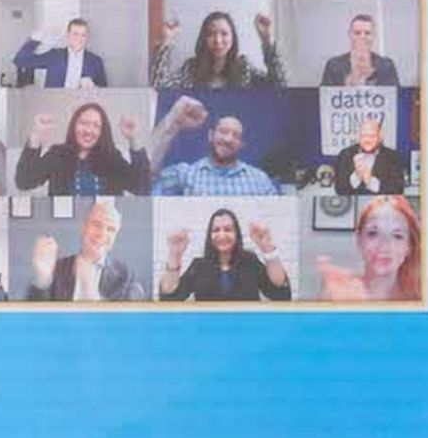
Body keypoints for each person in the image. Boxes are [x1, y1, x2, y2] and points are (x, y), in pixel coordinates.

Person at [149, 97, 280, 197]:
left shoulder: (260, 180)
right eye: (223, 131)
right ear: (210, 135)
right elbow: (145, 179)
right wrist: (174, 120)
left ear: (241, 144)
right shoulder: (185, 175)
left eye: (236, 135)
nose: (228, 139)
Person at [13, 102, 151, 196]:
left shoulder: (112, 157)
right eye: (83, 123)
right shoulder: (57, 154)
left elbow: (143, 188)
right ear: (74, 126)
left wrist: (134, 138)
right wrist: (37, 134)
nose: (89, 130)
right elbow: (24, 182)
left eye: (96, 126)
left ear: (102, 132)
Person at [22, 200, 147, 301]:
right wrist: (43, 279)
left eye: (111, 229)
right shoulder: (56, 269)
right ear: (84, 227)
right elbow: (35, 320)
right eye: (97, 225)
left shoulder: (126, 276)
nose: (102, 234)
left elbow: (130, 324)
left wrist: (90, 291)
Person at [159, 209, 292, 302]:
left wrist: (267, 248)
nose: (222, 235)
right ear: (209, 236)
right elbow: (170, 297)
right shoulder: (199, 266)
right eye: (216, 230)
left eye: (228, 229)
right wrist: (174, 255)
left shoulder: (250, 261)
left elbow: (280, 292)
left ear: (237, 234)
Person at [319, 195, 422, 303]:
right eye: (373, 233)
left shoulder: (423, 296)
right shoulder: (336, 294)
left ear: (409, 247)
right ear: (359, 240)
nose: (384, 246)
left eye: (397, 236)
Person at [150, 9, 286, 88]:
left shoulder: (244, 68)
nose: (218, 40)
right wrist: (168, 40)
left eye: (224, 34)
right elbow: (157, 86)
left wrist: (266, 39)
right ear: (203, 38)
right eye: (211, 34)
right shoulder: (190, 68)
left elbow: (280, 85)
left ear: (233, 38)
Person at [12, 17, 109, 88]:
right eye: (75, 34)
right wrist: (36, 38)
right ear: (68, 35)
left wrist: (94, 87)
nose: (79, 39)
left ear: (87, 37)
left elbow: (105, 91)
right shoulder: (54, 55)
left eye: (83, 35)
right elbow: (19, 60)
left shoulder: (96, 61)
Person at [332, 115, 408, 196]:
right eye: (363, 136)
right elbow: (340, 190)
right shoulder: (345, 155)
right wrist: (357, 176)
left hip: (382, 207)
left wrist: (370, 180)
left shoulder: (393, 157)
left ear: (380, 137)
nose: (367, 140)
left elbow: (398, 190)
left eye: (372, 136)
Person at [320, 14, 401, 87]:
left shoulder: (387, 65)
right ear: (350, 35)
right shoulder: (334, 66)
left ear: (373, 36)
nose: (363, 37)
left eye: (367, 33)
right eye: (357, 33)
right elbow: (325, 98)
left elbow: (394, 97)